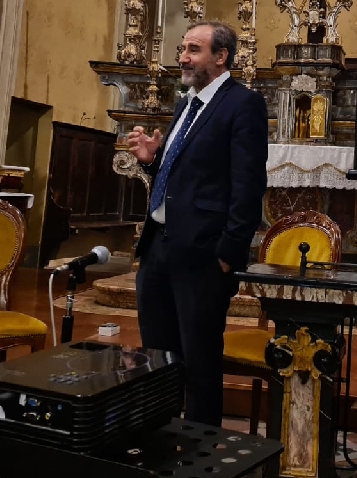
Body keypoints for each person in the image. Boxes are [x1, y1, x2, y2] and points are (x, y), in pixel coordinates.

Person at [126, 21, 268, 426]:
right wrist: (153, 162)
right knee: (158, 355)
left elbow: (248, 184)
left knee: (199, 362)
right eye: (183, 49)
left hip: (203, 256)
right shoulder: (185, 104)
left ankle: (201, 455)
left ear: (220, 57)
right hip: (159, 248)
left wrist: (228, 253)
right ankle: (161, 439)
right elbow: (184, 179)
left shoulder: (242, 104)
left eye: (193, 49)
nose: (183, 57)